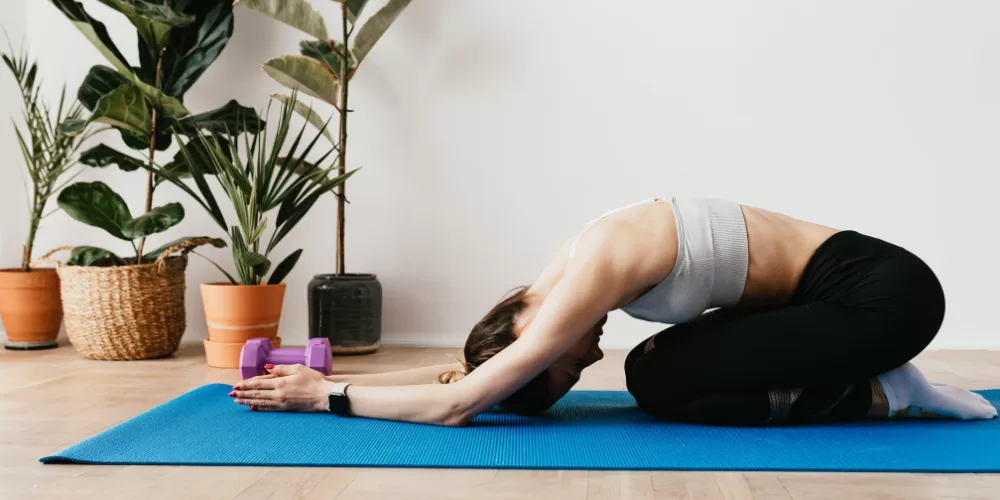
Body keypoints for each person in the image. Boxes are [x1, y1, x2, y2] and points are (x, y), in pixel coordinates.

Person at [231, 197, 997, 425]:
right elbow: (465, 376)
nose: (584, 356)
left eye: (561, 365)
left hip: (883, 295)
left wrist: (324, 395)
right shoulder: (561, 269)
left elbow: (463, 402)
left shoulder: (589, 271)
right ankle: (879, 383)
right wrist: (430, 375)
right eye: (571, 373)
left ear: (523, 333)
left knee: (656, 380)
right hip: (836, 301)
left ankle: (897, 386)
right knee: (657, 369)